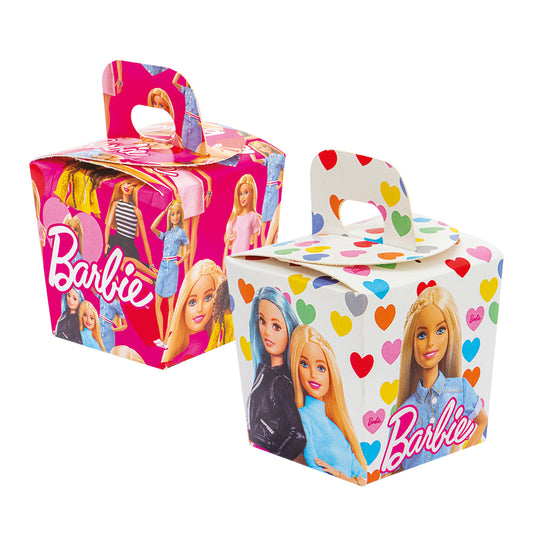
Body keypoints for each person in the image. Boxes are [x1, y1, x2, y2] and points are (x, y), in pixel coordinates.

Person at [395, 285, 488, 470]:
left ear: (451, 332)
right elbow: (395, 466)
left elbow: (482, 421)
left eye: (440, 330)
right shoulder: (406, 410)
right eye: (422, 335)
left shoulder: (461, 389)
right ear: (411, 343)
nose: (431, 343)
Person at [289, 325, 367, 485]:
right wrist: (350, 480)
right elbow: (313, 464)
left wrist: (339, 475)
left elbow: (363, 475)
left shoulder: (337, 428)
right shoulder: (302, 417)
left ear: (331, 373)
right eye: (304, 364)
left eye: (321, 368)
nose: (313, 375)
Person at [247, 287, 306, 460]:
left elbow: (298, 436)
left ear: (289, 328)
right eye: (262, 321)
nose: (267, 332)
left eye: (276, 326)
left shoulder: (280, 382)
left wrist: (277, 454)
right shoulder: (264, 369)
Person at [162, 259, 224, 365]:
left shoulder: (212, 348)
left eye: (208, 297)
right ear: (183, 307)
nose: (199, 308)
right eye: (192, 302)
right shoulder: (177, 354)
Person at [151, 199, 190, 347]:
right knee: (157, 303)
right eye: (172, 214)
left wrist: (180, 261)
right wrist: (164, 211)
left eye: (177, 213)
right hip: (162, 266)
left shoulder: (181, 233)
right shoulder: (167, 234)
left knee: (170, 306)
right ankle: (161, 337)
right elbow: (152, 227)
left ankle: (167, 339)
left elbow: (189, 249)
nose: (175, 216)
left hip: (173, 268)